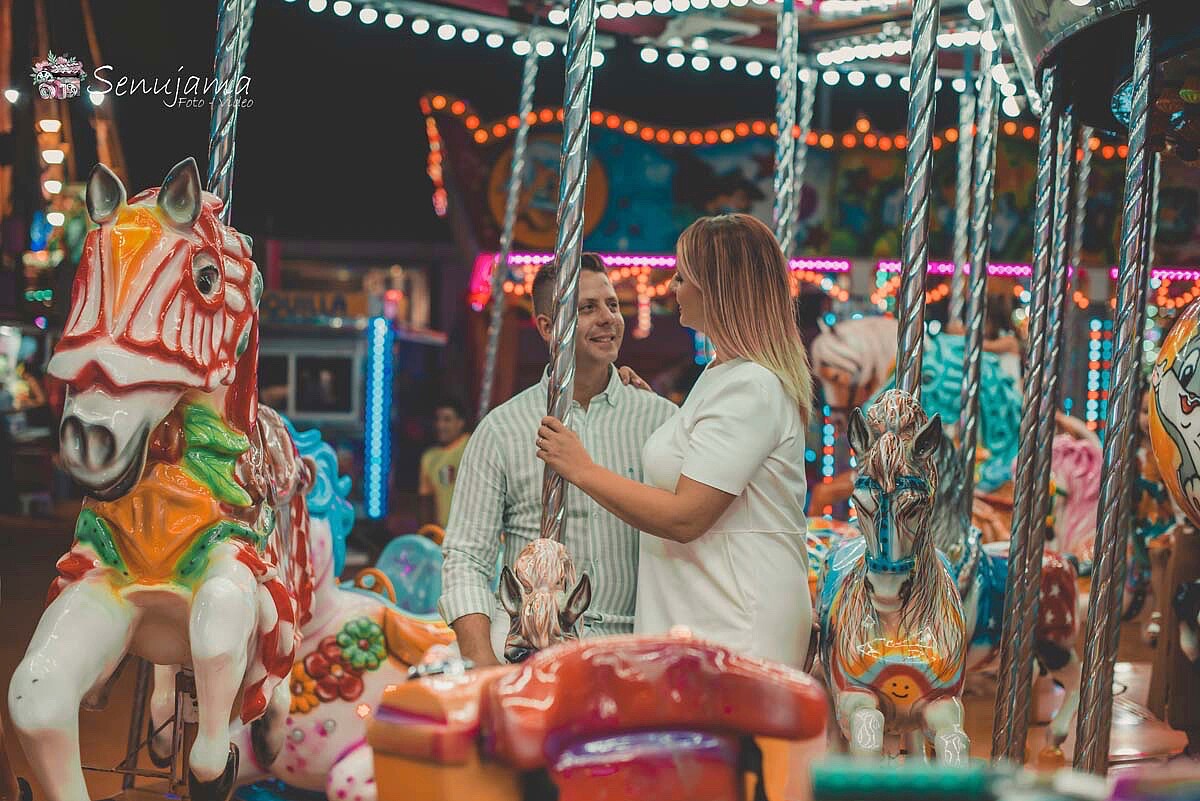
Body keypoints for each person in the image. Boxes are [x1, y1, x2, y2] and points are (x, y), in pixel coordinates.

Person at [536, 214, 813, 669]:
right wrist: (660, 415)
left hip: (733, 619)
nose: (672, 287)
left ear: (717, 288)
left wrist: (582, 470)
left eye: (683, 277)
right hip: (708, 612)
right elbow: (703, 449)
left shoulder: (751, 386)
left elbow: (687, 516)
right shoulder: (723, 374)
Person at [439, 253, 676, 667]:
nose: (608, 318)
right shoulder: (502, 429)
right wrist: (482, 664)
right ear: (548, 327)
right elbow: (466, 556)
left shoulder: (661, 420)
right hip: (534, 650)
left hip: (638, 644)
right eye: (587, 308)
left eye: (613, 305)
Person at [418, 399, 471, 529]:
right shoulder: (429, 458)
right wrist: (428, 532)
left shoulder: (473, 446)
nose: (440, 425)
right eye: (438, 419)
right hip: (444, 534)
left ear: (460, 423)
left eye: (447, 420)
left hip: (472, 532)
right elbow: (426, 500)